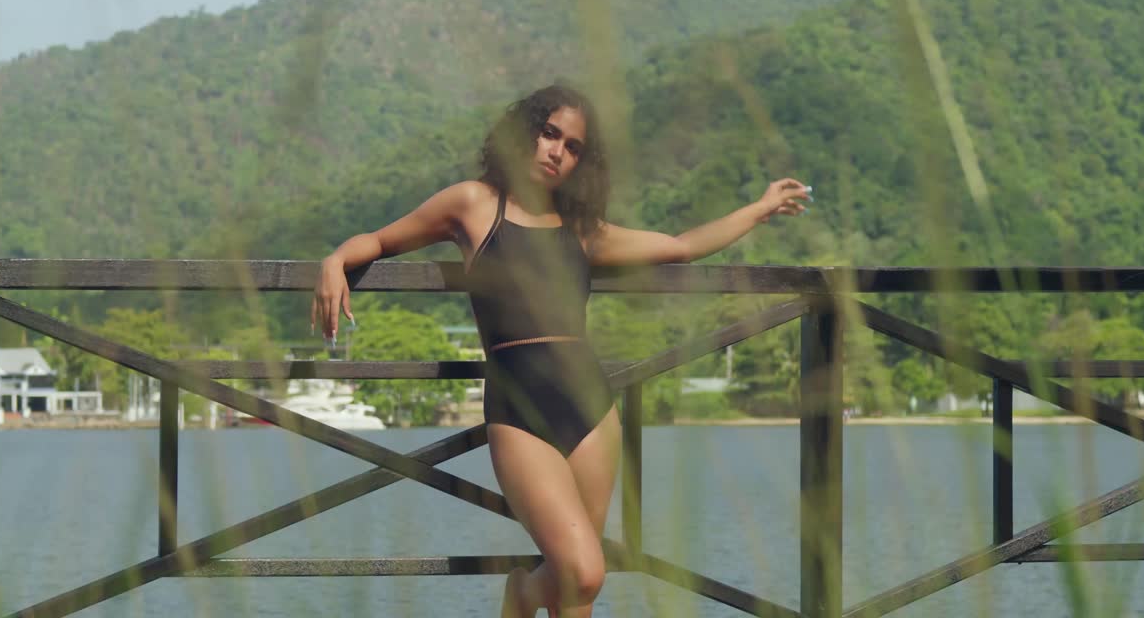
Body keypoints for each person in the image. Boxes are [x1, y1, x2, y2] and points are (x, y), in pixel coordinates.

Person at [310, 83, 809, 617]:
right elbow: (381, 240)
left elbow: (681, 246)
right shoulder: (473, 204)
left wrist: (759, 208)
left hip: (591, 409)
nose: (557, 152)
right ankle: (524, 594)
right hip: (518, 407)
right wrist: (336, 261)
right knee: (583, 569)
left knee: (578, 590)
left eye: (573, 147)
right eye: (550, 134)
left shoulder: (581, 231)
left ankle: (528, 595)